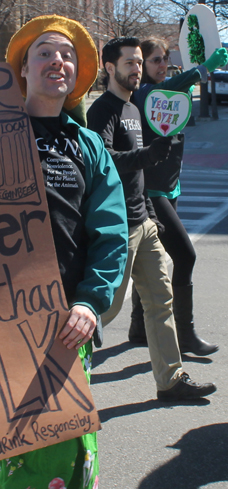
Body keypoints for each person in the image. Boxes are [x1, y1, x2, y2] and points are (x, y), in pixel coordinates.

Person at [0, 15, 130, 489]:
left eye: (67, 55)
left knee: (59, 448)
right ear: (23, 69)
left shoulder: (89, 146)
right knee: (18, 450)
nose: (57, 60)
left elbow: (111, 231)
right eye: (44, 52)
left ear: (77, 74)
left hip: (62, 323)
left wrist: (89, 301)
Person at [87, 37, 216, 402]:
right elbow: (106, 162)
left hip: (142, 221)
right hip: (118, 225)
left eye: (139, 62)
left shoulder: (132, 109)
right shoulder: (103, 111)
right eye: (130, 63)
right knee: (104, 309)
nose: (137, 68)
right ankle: (59, 370)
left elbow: (137, 174)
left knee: (160, 300)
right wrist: (148, 155)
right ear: (110, 68)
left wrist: (148, 208)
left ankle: (171, 381)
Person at [128, 39, 227, 355]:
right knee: (186, 256)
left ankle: (138, 327)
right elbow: (177, 83)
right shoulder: (145, 95)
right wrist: (203, 69)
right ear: (143, 64)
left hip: (170, 189)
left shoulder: (168, 94)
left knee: (146, 259)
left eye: (165, 59)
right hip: (152, 192)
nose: (162, 65)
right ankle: (185, 334)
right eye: (155, 59)